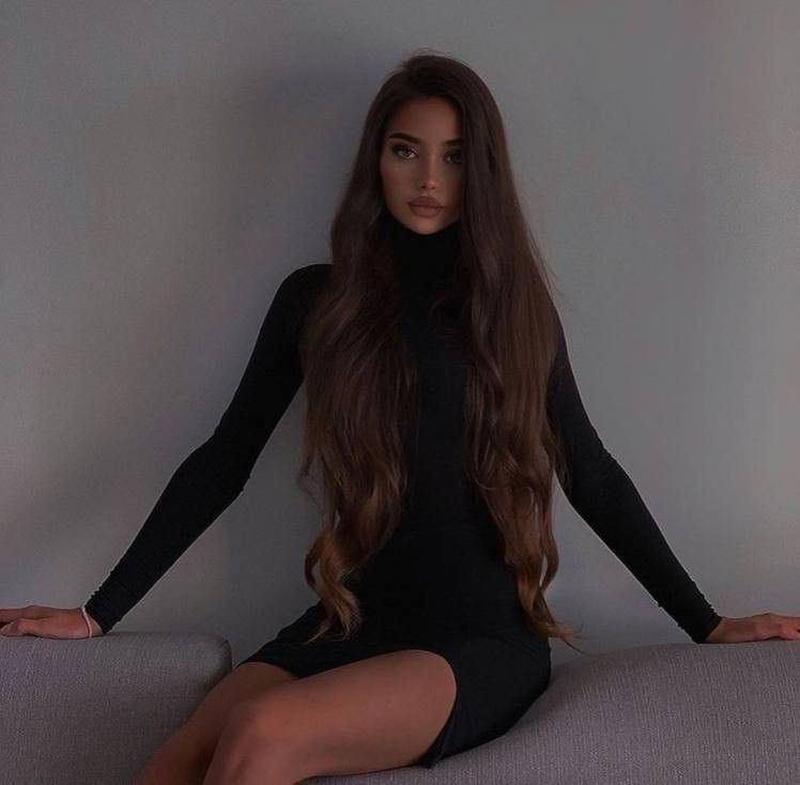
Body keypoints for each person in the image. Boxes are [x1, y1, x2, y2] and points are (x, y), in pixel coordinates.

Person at [3, 52, 798, 784]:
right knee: (175, 760)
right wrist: (96, 611)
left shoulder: (513, 312)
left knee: (262, 731)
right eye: (406, 150)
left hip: (477, 640)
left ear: (482, 172)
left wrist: (707, 621)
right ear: (375, 161)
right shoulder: (317, 302)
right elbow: (224, 458)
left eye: (454, 157)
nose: (428, 178)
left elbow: (590, 471)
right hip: (354, 620)